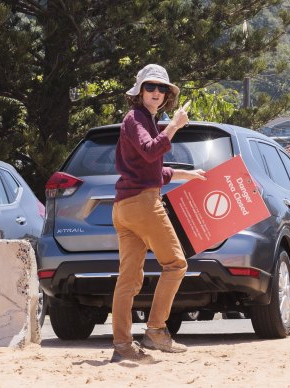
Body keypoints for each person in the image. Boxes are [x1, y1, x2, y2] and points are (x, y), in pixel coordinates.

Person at [111, 64, 206, 363]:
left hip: (125, 207)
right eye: (150, 87)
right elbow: (151, 150)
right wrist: (175, 125)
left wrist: (185, 175)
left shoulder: (144, 120)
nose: (156, 92)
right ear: (139, 92)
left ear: (167, 95)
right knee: (176, 264)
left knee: (128, 281)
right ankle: (155, 329)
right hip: (142, 205)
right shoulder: (136, 118)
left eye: (161, 88)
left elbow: (150, 167)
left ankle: (123, 347)